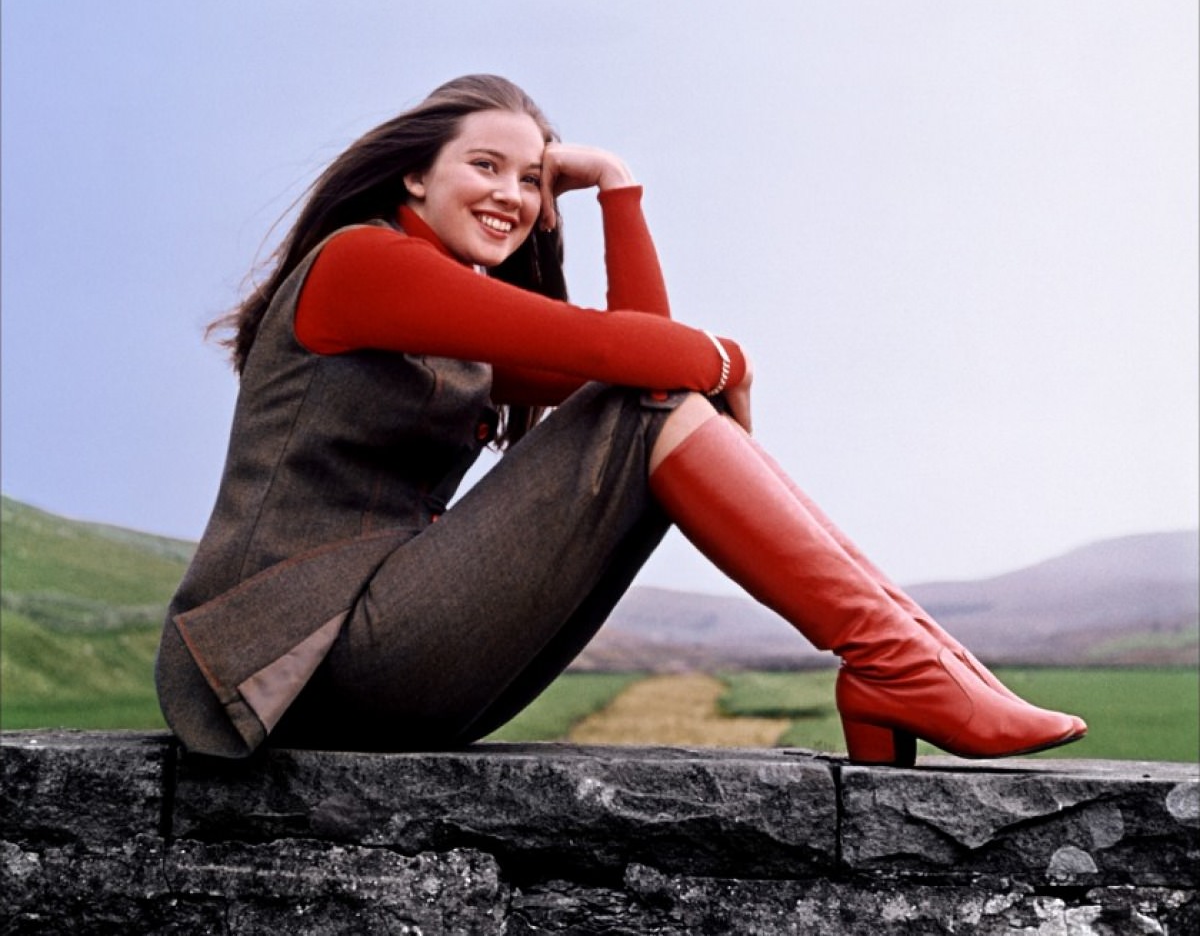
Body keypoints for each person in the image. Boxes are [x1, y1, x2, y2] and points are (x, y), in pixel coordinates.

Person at [155, 73, 1085, 765]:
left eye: (531, 179)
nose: (512, 197)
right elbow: (635, 358)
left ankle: (918, 660)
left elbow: (640, 357)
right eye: (485, 166)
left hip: (384, 663)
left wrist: (615, 185)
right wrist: (729, 362)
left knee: (651, 403)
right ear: (412, 181)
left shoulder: (452, 332)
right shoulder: (362, 264)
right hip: (289, 665)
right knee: (650, 400)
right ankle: (898, 666)